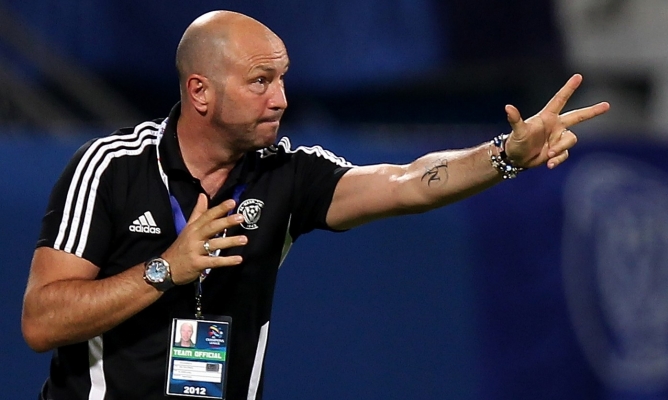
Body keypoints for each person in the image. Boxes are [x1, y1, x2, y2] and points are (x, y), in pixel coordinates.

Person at [21, 9, 609, 400]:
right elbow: (42, 321)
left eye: (282, 79)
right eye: (260, 81)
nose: (280, 98)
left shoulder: (286, 174)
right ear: (200, 91)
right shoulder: (112, 168)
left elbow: (406, 181)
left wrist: (505, 154)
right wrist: (165, 269)